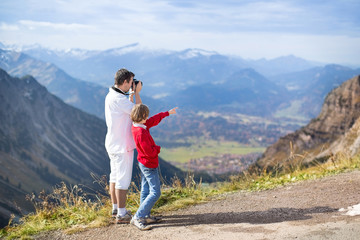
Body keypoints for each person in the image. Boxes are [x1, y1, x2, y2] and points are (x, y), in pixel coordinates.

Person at [130, 104, 178, 230]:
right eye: (146, 115)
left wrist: (167, 113)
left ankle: (144, 215)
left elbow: (153, 120)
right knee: (155, 192)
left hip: (143, 163)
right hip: (149, 165)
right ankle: (138, 216)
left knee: (145, 190)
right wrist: (157, 148)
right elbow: (149, 152)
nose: (148, 117)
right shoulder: (141, 132)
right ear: (143, 116)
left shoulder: (138, 126)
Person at [104, 68, 142, 224]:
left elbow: (127, 109)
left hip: (113, 143)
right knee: (123, 180)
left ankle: (115, 209)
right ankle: (122, 214)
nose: (133, 84)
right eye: (131, 82)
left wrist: (131, 94)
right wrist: (138, 93)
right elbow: (140, 113)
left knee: (114, 177)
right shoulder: (119, 100)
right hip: (122, 146)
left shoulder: (113, 95)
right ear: (126, 82)